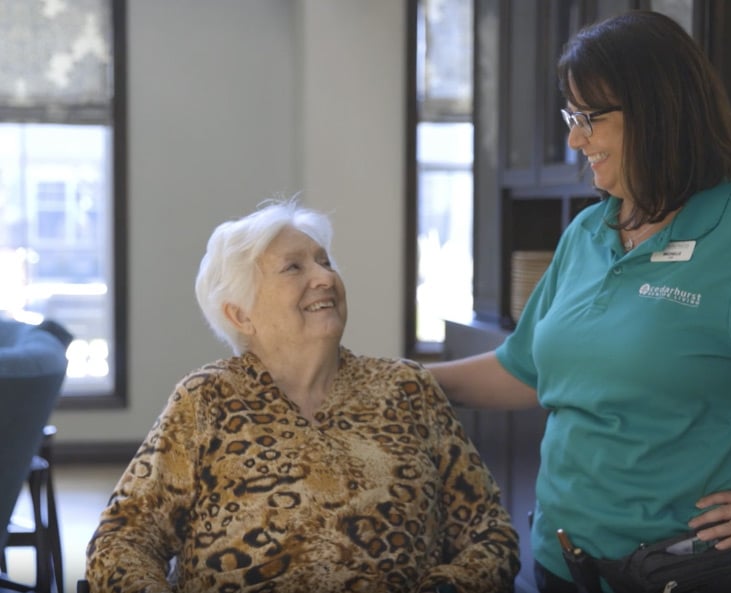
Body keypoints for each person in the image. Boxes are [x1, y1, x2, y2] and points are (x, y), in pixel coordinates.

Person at [427, 10, 731, 593]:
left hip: (684, 573)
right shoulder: (587, 233)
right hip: (559, 561)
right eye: (571, 116)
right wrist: (405, 380)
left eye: (588, 118)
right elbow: (523, 370)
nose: (575, 139)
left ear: (657, 114)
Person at [84, 199, 520, 593]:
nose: (325, 277)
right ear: (241, 315)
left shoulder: (407, 388)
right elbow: (122, 540)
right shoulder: (205, 399)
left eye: (325, 261)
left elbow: (489, 531)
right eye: (294, 268)